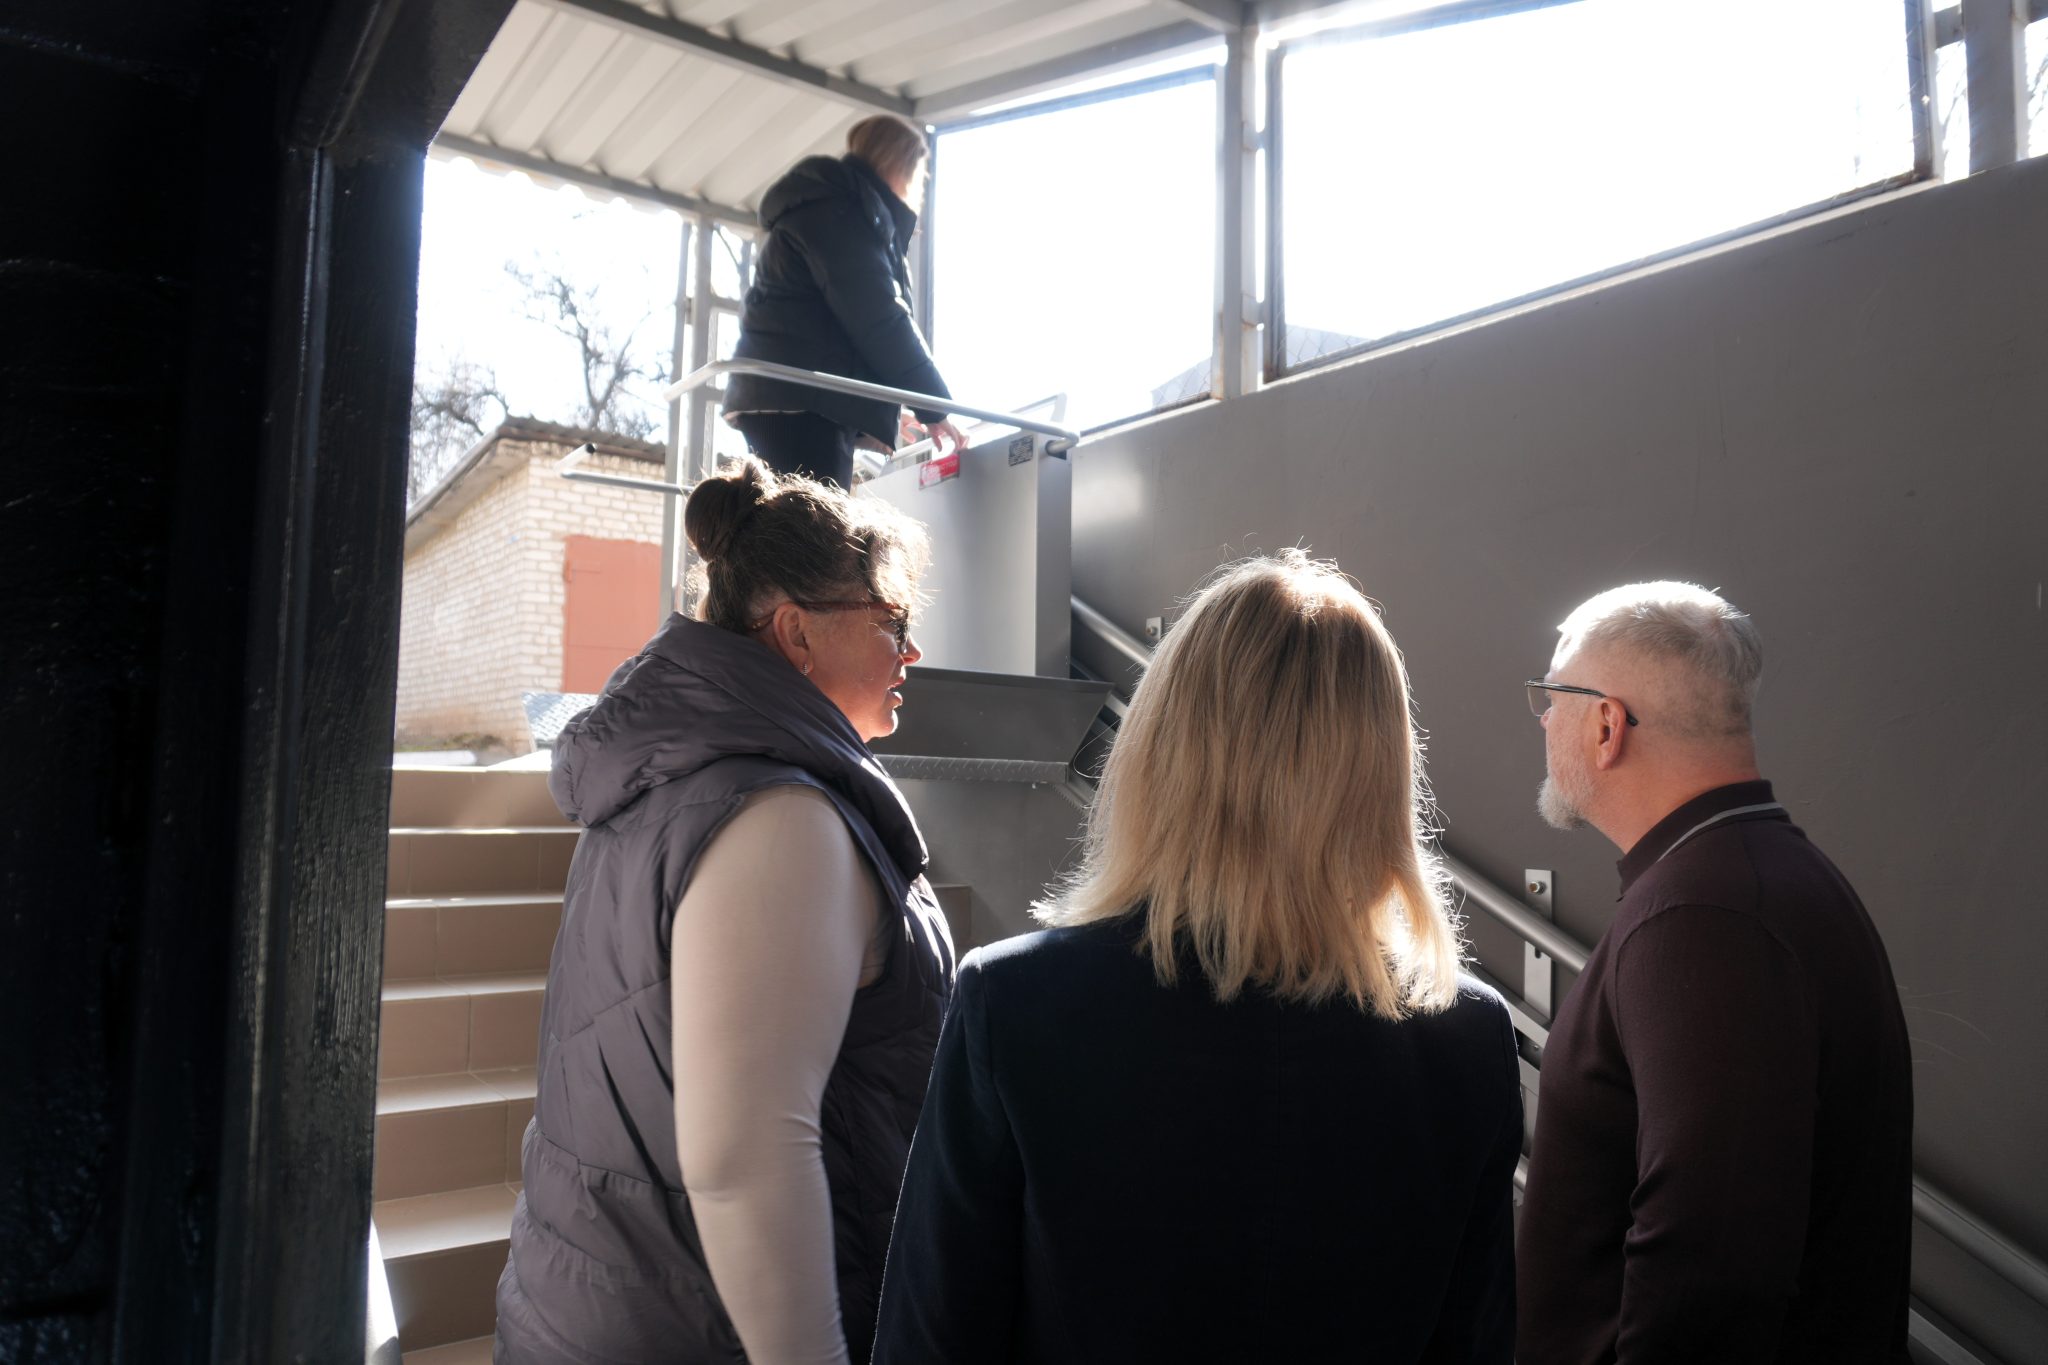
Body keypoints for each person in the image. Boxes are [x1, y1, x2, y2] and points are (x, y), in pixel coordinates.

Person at [871, 552, 1523, 1364]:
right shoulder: (1467, 1036)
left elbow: (930, 1340)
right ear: (1382, 773)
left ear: (1159, 750)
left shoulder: (1017, 1002)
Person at [494, 457, 956, 1365]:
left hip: (610, 1305)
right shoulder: (780, 815)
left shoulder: (679, 777)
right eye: (892, 621)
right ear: (796, 631)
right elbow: (747, 1162)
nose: (911, 652)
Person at [1515, 582, 1912, 1363]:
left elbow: (1709, 1266)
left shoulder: (1703, 917)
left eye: (1552, 696)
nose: (1543, 719)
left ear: (1607, 724)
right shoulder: (1755, 878)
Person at [724, 114, 967, 489]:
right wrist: (935, 407)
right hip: (802, 403)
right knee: (812, 522)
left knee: (795, 517)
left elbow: (836, 327)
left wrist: (882, 410)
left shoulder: (835, 205)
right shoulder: (844, 212)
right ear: (903, 168)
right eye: (920, 177)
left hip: (787, 396)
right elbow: (880, 319)